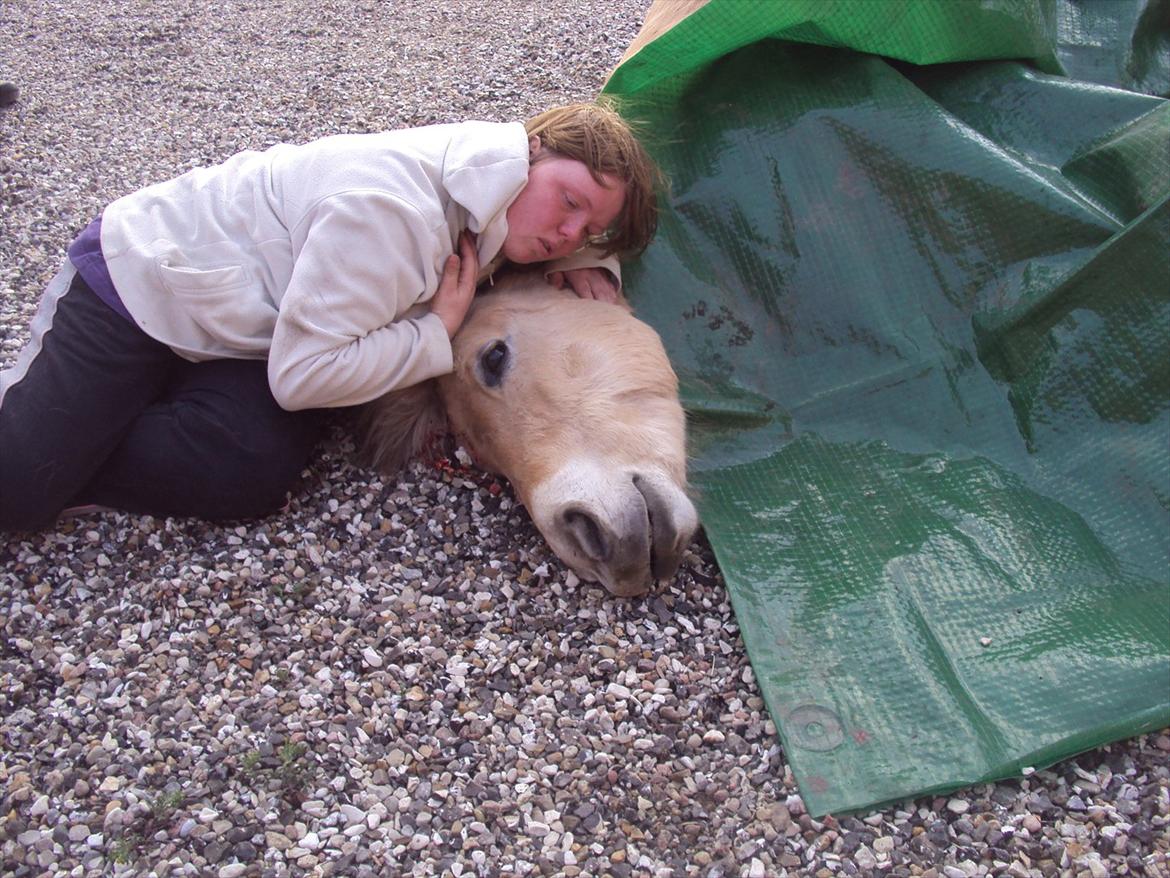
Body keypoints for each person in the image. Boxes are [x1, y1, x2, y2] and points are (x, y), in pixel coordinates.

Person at [0, 100, 663, 530]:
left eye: (588, 230)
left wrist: (595, 263)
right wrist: (433, 333)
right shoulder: (395, 212)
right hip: (144, 283)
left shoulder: (495, 180)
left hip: (244, 329)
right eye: (568, 204)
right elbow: (302, 379)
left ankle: (82, 422)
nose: (567, 235)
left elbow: (586, 225)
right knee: (22, 489)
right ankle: (49, 431)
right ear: (533, 151)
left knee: (246, 477)